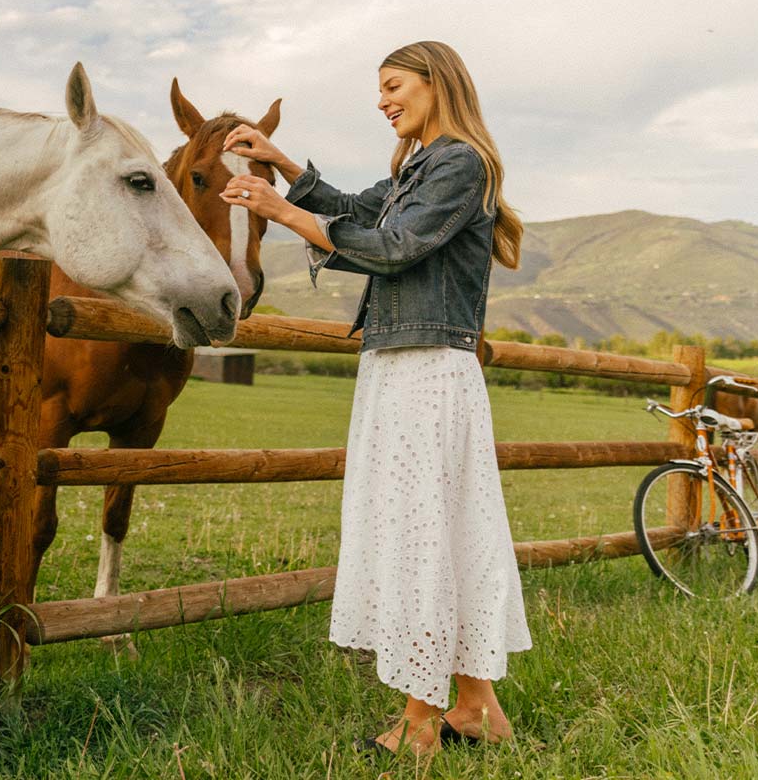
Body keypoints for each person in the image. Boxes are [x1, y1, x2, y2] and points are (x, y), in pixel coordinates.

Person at [219, 41, 529, 758]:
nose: (383, 99)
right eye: (379, 90)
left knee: (420, 535)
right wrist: (287, 165)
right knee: (442, 533)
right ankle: (478, 705)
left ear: (435, 83)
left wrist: (279, 209)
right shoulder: (420, 164)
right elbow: (360, 208)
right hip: (405, 368)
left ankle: (420, 723)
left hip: (425, 373)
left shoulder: (457, 162)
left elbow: (392, 246)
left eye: (393, 86)